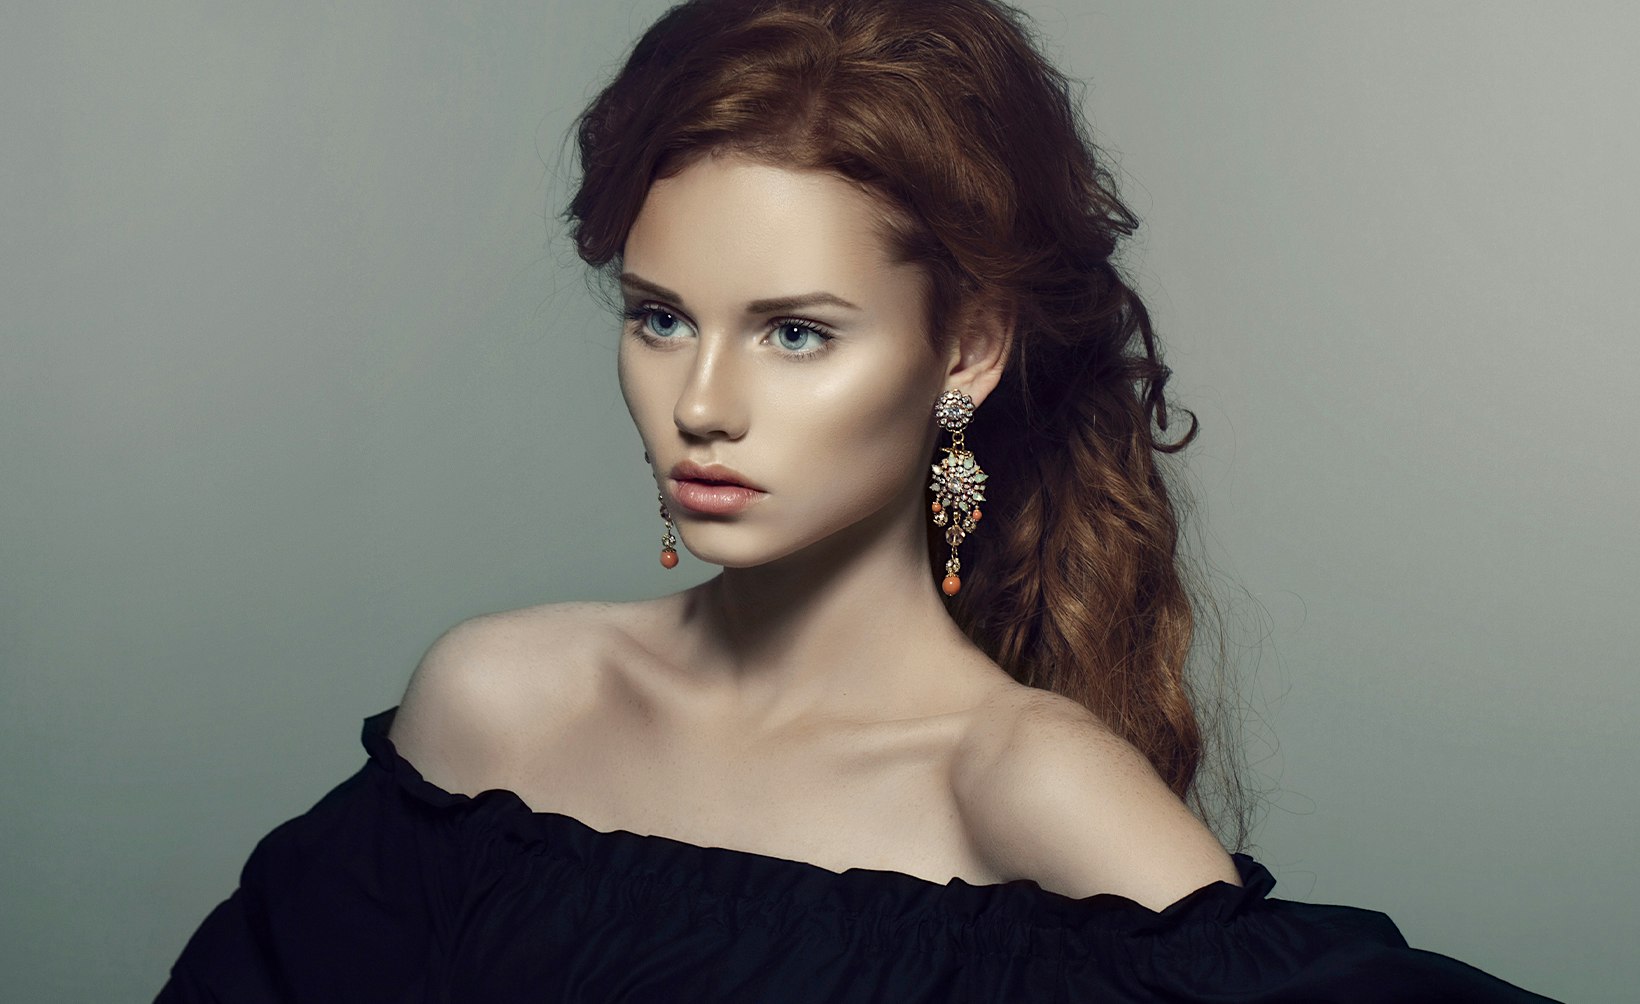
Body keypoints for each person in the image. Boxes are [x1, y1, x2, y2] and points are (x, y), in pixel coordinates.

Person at [158, 0, 1554, 1000]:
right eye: (658, 318)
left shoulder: (1020, 787)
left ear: (967, 347)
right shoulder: (497, 704)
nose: (701, 401)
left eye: (797, 332)